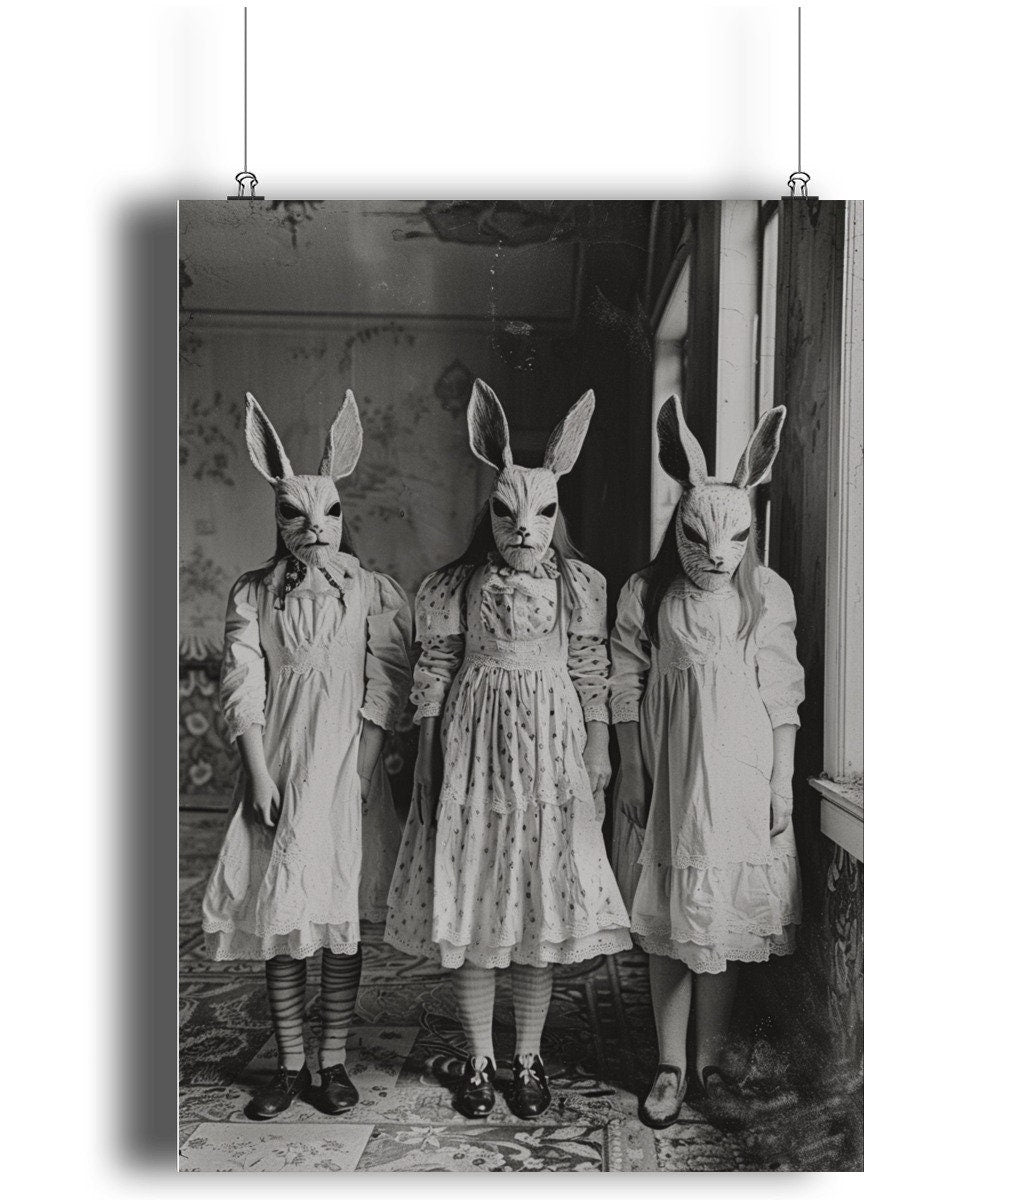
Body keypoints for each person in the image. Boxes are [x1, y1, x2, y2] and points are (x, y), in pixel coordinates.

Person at [385, 380, 631, 1120]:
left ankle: (528, 1058)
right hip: (475, 746)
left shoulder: (578, 585)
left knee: (535, 903)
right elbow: (433, 670)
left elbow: (591, 670)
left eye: (542, 514)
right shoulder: (456, 586)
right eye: (508, 513)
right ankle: (481, 1062)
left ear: (557, 513)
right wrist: (427, 756)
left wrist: (599, 749)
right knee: (477, 902)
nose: (524, 529)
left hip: (550, 747)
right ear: (490, 511)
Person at [202, 391, 412, 1120]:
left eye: (327, 514)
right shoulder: (255, 594)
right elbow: (243, 682)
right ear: (278, 517)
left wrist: (364, 769)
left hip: (345, 770)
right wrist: (259, 770)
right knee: (286, 917)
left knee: (340, 910)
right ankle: (289, 1063)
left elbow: (387, 679)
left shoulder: (368, 591)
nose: (313, 529)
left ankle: (332, 1060)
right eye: (295, 514)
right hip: (283, 767)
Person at [610, 396, 804, 1129]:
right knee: (671, 919)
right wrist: (631, 766)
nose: (717, 555)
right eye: (700, 538)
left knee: (720, 923)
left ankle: (712, 1063)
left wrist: (782, 781)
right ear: (680, 524)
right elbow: (623, 680)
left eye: (734, 541)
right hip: (671, 775)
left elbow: (782, 689)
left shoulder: (765, 595)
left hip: (740, 774)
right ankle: (668, 1063)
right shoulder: (647, 594)